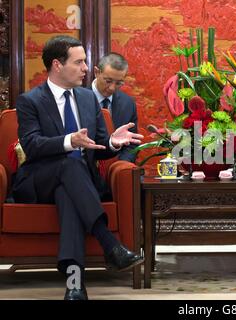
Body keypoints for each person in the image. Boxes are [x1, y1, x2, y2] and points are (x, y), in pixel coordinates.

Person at [12, 35, 145, 300]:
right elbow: (32, 145)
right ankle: (109, 244)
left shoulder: (87, 99)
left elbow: (96, 146)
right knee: (67, 164)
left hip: (75, 183)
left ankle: (75, 284)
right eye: (80, 62)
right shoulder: (30, 101)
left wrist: (112, 143)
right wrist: (68, 141)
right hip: (39, 180)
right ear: (57, 65)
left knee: (69, 192)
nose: (86, 68)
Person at [90, 52, 138, 162]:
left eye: (119, 83)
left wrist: (120, 167)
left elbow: (132, 144)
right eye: (108, 81)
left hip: (116, 166)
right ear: (97, 72)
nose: (112, 88)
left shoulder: (128, 104)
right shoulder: (78, 98)